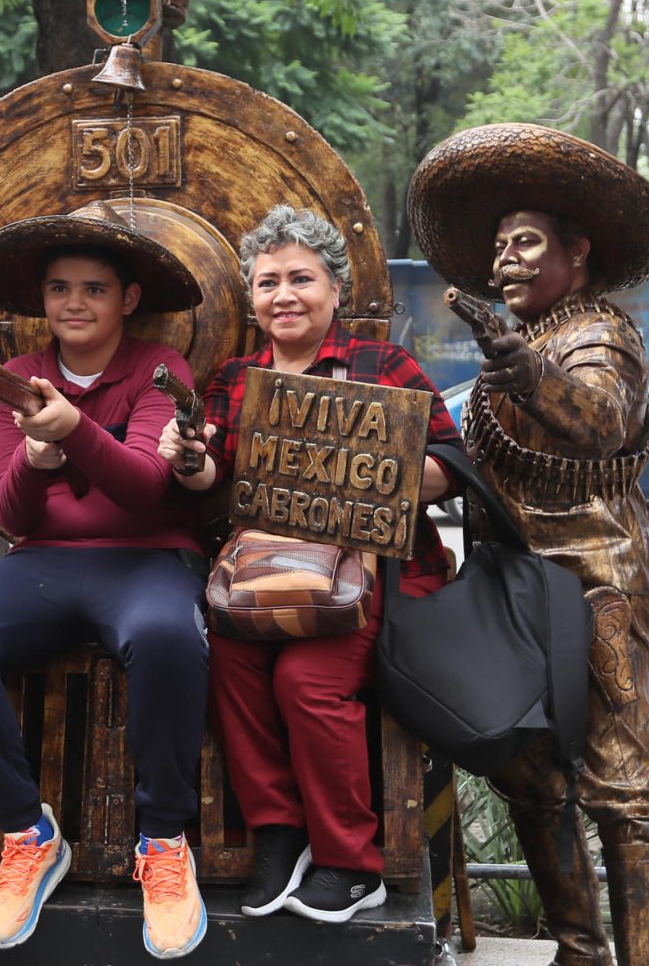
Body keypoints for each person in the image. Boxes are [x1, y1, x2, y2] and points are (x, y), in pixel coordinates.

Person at [408, 123, 649, 966]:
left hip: (597, 587)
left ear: (579, 255)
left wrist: (520, 369)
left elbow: (599, 421)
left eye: (528, 240)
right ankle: (583, 955)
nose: (505, 256)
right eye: (499, 245)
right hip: (518, 590)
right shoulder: (513, 347)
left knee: (622, 788)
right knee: (529, 767)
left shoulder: (594, 334)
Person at [0, 200, 211, 959]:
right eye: (59, 288)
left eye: (94, 288)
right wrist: (37, 459)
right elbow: (11, 513)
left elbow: (146, 485)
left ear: (128, 299)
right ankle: (27, 832)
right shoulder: (18, 375)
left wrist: (72, 431)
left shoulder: (158, 368)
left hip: (144, 558)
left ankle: (165, 840)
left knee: (167, 633)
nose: (74, 304)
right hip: (42, 563)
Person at [159, 205, 459, 925]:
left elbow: (451, 464)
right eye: (268, 283)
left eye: (301, 278)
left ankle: (352, 863)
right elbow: (215, 477)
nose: (283, 294)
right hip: (267, 570)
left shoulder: (384, 365)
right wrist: (191, 456)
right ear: (252, 297)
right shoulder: (237, 375)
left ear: (335, 289)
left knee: (306, 678)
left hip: (365, 573)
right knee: (228, 659)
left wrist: (368, 471)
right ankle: (280, 833)